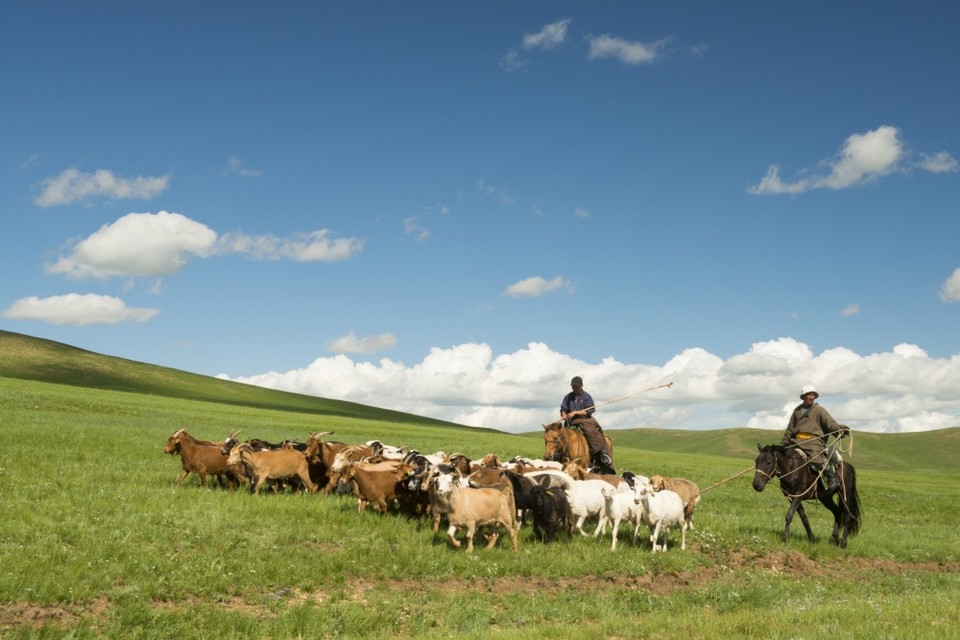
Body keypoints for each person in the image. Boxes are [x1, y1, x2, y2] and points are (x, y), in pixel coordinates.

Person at [780, 385, 849, 491]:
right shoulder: (797, 411)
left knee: (815, 457)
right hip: (796, 441)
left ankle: (832, 477)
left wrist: (839, 429)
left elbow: (830, 423)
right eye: (809, 395)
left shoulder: (819, 410)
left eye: (813, 395)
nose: (811, 397)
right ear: (803, 396)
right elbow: (790, 429)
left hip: (813, 442)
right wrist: (782, 445)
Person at [560, 376, 614, 472]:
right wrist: (564, 415)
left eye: (576, 386)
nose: (574, 388)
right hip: (570, 421)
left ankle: (602, 454)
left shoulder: (586, 397)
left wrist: (576, 412)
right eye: (573, 386)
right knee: (560, 436)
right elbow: (563, 409)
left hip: (584, 420)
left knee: (591, 433)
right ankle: (557, 457)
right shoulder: (568, 397)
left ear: (581, 386)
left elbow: (589, 411)